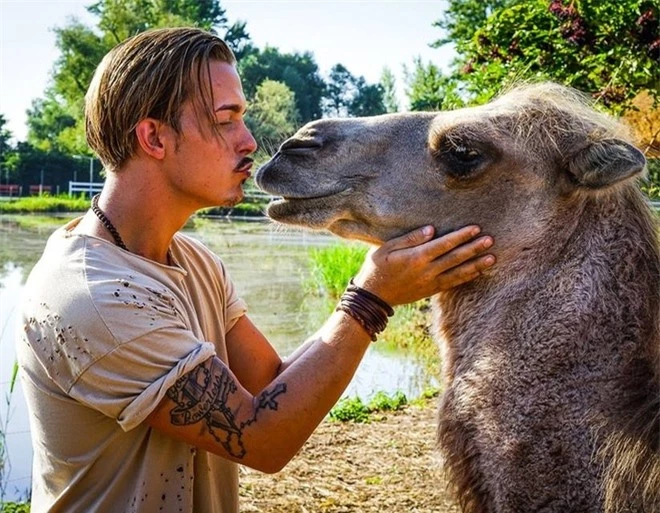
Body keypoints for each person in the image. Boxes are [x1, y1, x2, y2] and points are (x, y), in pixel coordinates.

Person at [17, 27, 495, 513]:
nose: (248, 140)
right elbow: (261, 438)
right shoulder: (95, 296)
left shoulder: (192, 261)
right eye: (226, 120)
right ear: (154, 137)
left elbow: (269, 385)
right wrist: (371, 298)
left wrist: (380, 282)